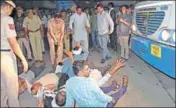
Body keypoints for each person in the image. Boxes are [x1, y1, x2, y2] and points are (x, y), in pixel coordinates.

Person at [1, 0, 28, 107]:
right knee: (12, 88)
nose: (11, 11)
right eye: (11, 9)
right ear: (7, 7)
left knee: (2, 86)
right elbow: (12, 42)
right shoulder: (7, 19)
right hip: (5, 56)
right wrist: (23, 59)